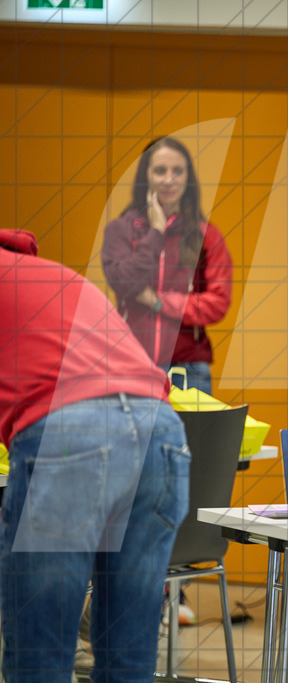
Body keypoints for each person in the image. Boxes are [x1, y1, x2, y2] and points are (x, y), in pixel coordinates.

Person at [0, 229, 190, 682]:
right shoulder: (56, 276)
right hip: (161, 435)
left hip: (71, 438)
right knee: (127, 658)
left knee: (39, 652)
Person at [101, 136, 233, 395]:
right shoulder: (120, 231)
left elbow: (217, 303)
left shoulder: (206, 235)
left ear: (188, 178)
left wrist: (159, 301)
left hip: (189, 370)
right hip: (132, 364)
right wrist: (157, 231)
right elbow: (124, 280)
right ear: (146, 175)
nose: (169, 179)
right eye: (160, 170)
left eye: (178, 171)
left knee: (188, 439)